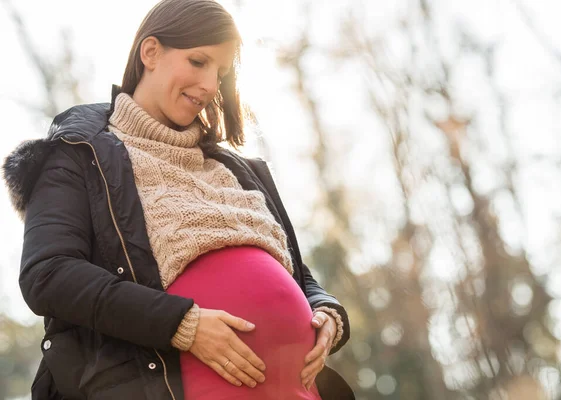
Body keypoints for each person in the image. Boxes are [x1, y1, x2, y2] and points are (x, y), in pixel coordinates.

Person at [1, 0, 354, 399]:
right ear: (150, 52)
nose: (209, 85)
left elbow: (298, 275)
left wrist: (327, 314)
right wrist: (182, 325)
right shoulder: (79, 155)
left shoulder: (241, 171)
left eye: (220, 72)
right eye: (198, 61)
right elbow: (48, 275)